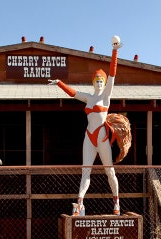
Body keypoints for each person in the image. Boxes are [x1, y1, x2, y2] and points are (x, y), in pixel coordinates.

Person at [49, 36, 130, 216]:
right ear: (93, 82)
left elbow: (113, 73)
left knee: (110, 171)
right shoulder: (89, 97)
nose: (100, 83)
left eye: (101, 81)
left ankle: (116, 203)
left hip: (102, 136)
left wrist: (115, 51)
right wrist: (59, 83)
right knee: (86, 172)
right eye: (97, 81)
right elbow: (73, 93)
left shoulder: (106, 95)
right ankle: (79, 204)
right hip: (89, 136)